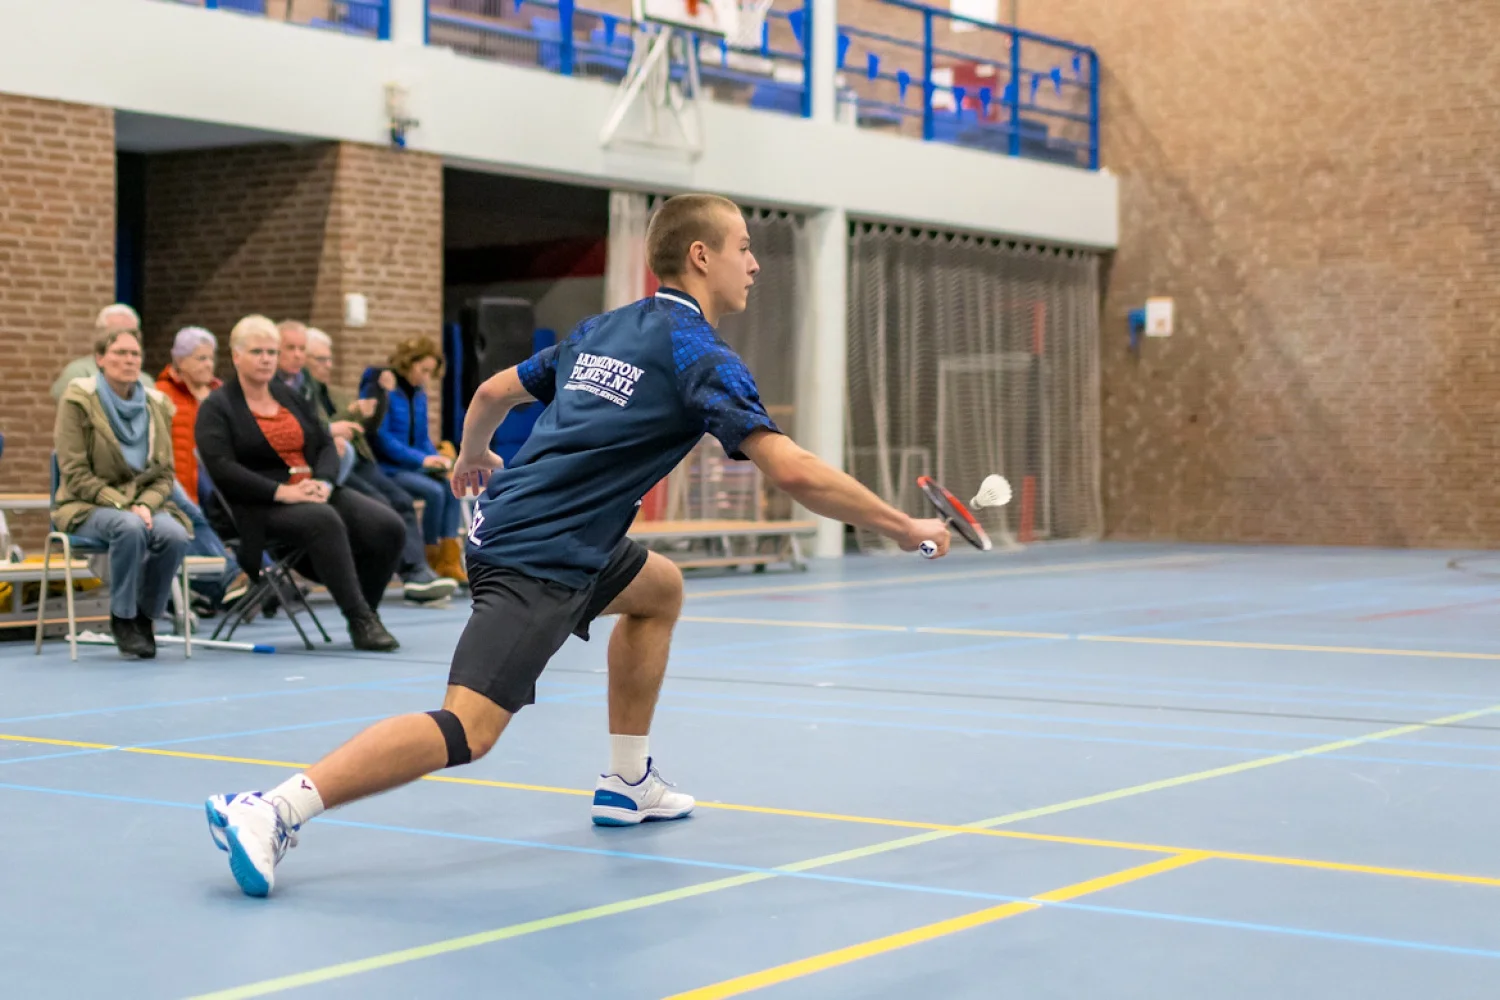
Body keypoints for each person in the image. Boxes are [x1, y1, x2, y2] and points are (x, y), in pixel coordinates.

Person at [203, 193, 950, 898]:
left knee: (659, 590)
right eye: (744, 249)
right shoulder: (701, 356)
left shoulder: (607, 327)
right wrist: (904, 526)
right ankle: (273, 810)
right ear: (700, 256)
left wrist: (471, 458)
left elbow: (494, 392)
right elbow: (791, 469)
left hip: (556, 534)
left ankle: (628, 783)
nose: (753, 264)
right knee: (469, 728)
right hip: (539, 553)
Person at [195, 315, 406, 653]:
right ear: (236, 356)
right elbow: (223, 470)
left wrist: (323, 481)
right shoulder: (216, 408)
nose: (266, 359)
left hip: (311, 491)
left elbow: (324, 444)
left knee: (388, 525)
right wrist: (283, 492)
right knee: (324, 521)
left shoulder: (289, 397)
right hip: (258, 505)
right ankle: (359, 619)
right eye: (257, 352)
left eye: (271, 352)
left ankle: (366, 608)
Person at [54, 329, 191, 659]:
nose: (129, 360)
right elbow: (74, 472)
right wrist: (123, 505)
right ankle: (122, 617)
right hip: (86, 504)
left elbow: (165, 474)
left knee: (174, 534)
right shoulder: (78, 400)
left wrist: (144, 504)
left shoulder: (156, 404)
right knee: (127, 528)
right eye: (120, 353)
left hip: (142, 505)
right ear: (100, 358)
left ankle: (145, 616)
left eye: (135, 354)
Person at [303, 329, 456, 604]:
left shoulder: (334, 394)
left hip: (358, 460)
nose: (329, 365)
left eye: (329, 359)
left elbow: (365, 427)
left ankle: (435, 565)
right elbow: (379, 435)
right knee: (398, 501)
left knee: (444, 488)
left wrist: (436, 459)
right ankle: (417, 568)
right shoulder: (304, 396)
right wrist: (376, 392)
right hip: (375, 465)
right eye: (321, 360)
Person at [362, 338, 467, 586]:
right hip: (387, 467)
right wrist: (423, 459)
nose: (426, 378)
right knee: (434, 492)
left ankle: (449, 560)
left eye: (431, 372)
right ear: (408, 363)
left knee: (452, 488)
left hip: (412, 464)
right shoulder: (385, 388)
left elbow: (421, 438)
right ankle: (428, 558)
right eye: (424, 370)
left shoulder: (419, 394)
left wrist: (438, 459)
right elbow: (382, 438)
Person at [155, 327, 245, 613]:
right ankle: (234, 581)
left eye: (211, 358)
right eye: (200, 358)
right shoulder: (161, 395)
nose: (208, 364)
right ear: (179, 361)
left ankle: (249, 578)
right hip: (181, 483)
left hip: (216, 482)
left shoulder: (221, 395)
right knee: (191, 521)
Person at [50, 304, 153, 399]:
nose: (124, 339)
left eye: (131, 333)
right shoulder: (78, 373)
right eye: (116, 333)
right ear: (100, 334)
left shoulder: (145, 382)